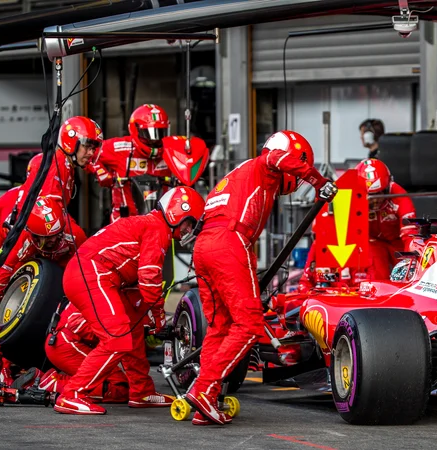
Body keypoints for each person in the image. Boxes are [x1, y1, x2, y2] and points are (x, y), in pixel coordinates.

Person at [188, 130, 337, 426]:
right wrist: (319, 182)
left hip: (204, 246)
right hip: (229, 242)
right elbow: (278, 159)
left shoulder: (237, 175)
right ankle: (205, 388)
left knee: (220, 327)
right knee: (249, 324)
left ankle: (205, 399)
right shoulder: (264, 165)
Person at [54, 186, 204, 415]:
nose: (189, 230)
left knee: (132, 330)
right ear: (178, 213)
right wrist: (158, 316)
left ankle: (141, 391)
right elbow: (149, 278)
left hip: (94, 274)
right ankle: (72, 394)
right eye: (189, 223)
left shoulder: (150, 225)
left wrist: (150, 317)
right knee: (117, 338)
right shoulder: (157, 229)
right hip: (92, 273)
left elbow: (138, 281)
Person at [0, 196, 87, 384]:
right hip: (36, 275)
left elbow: (88, 274)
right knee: (2, 323)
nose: (51, 242)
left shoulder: (76, 236)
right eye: (45, 239)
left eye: (56, 236)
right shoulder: (23, 240)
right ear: (31, 233)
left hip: (70, 274)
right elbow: (2, 278)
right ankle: (3, 370)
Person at [85, 104, 170, 222]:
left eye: (159, 133)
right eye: (150, 133)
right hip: (124, 219)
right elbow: (88, 153)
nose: (154, 139)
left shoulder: (170, 150)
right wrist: (101, 172)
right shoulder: (120, 148)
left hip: (161, 219)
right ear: (136, 130)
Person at [39, 302, 131, 404]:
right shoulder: (98, 291)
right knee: (119, 388)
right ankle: (55, 384)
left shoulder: (100, 289)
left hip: (63, 341)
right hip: (65, 344)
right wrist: (111, 336)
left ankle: (42, 379)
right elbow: (76, 323)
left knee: (122, 384)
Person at [356, 158, 417, 280]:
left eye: (380, 193)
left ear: (388, 186)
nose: (375, 200)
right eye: (371, 195)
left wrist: (410, 258)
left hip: (398, 240)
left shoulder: (400, 196)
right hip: (373, 241)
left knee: (408, 275)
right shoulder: (352, 198)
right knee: (378, 277)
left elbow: (410, 233)